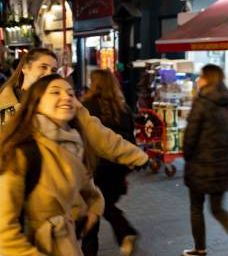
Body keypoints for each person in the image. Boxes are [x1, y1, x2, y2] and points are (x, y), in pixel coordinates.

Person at [0, 74, 103, 256]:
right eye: (55, 92)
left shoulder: (72, 144)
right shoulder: (23, 151)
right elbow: (3, 228)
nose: (66, 97)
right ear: (35, 103)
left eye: (70, 92)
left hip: (64, 255)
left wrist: (95, 207)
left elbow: (87, 187)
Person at [0, 48, 148, 169]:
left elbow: (98, 134)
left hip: (60, 185)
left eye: (53, 70)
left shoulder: (63, 99)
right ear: (25, 68)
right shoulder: (4, 104)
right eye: (43, 67)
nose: (48, 74)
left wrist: (136, 156)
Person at [182, 64, 228, 256]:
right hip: (221, 165)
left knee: (196, 207)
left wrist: (187, 155)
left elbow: (191, 135)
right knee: (217, 208)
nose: (198, 80)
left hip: (200, 165)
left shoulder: (201, 102)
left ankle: (200, 250)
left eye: (200, 77)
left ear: (207, 78)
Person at [81, 69, 139, 256]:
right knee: (104, 203)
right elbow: (131, 138)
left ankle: (93, 249)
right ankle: (122, 233)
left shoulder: (86, 107)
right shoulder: (123, 108)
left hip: (96, 165)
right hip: (119, 165)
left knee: (96, 203)